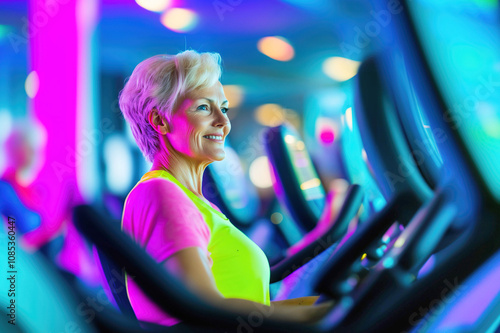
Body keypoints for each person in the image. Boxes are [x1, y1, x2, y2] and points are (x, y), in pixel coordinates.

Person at [118, 50, 332, 327]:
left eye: (224, 108)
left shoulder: (192, 200)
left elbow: (245, 304)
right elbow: (205, 310)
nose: (223, 122)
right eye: (204, 108)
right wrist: (320, 314)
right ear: (160, 121)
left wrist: (322, 307)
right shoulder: (160, 193)